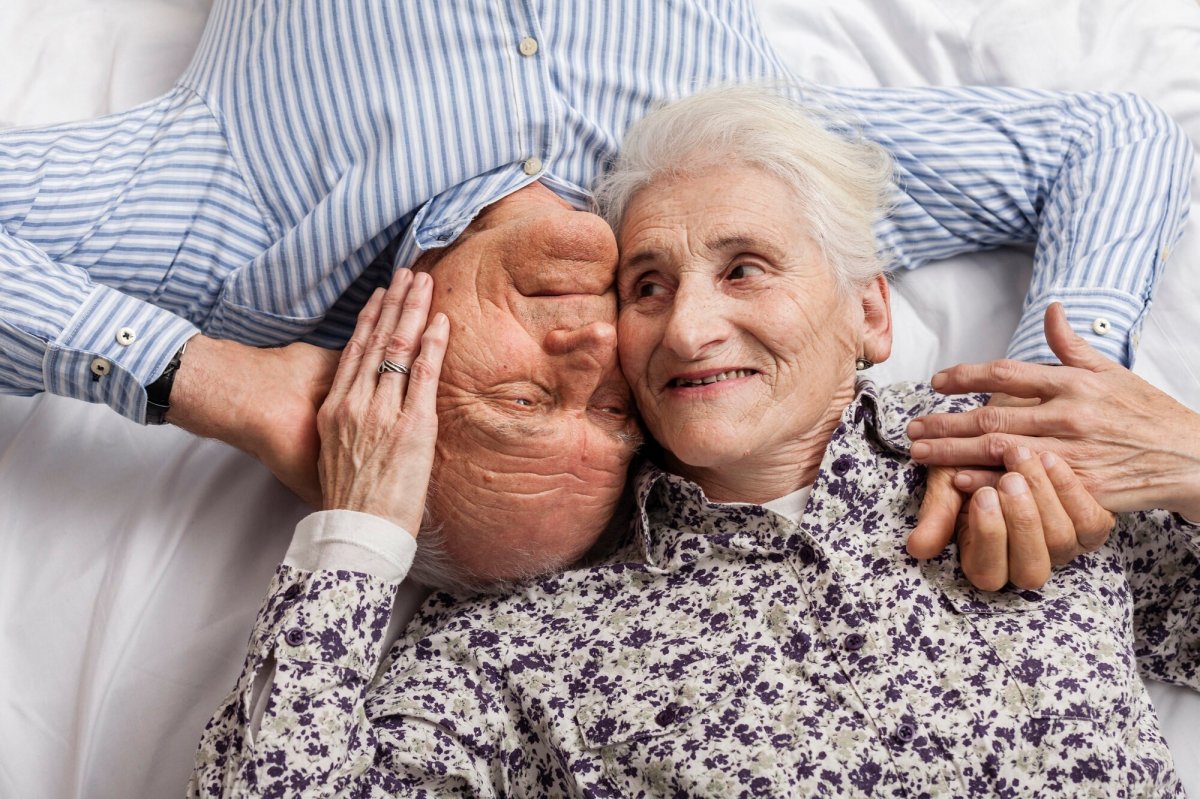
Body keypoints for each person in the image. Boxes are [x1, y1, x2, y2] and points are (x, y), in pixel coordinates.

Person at [189, 86, 1200, 796]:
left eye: (745, 267)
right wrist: (362, 526)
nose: (689, 328)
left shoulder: (1022, 468)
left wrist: (1191, 460)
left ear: (869, 311)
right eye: (647, 287)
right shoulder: (519, 636)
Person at [0, 0, 1192, 586]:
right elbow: (1111, 136)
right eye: (622, 408)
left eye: (526, 400)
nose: (594, 350)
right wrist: (1048, 412)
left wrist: (204, 381)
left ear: (382, 381)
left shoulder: (237, 226)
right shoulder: (739, 186)